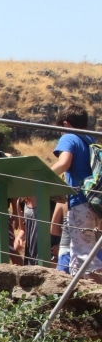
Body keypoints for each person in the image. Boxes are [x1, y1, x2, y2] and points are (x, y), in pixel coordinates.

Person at [50, 104, 102, 280]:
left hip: (79, 201)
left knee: (85, 254)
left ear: (65, 124)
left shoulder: (69, 136)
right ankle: (75, 286)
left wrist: (44, 176)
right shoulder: (90, 139)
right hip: (94, 202)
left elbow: (64, 163)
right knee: (78, 248)